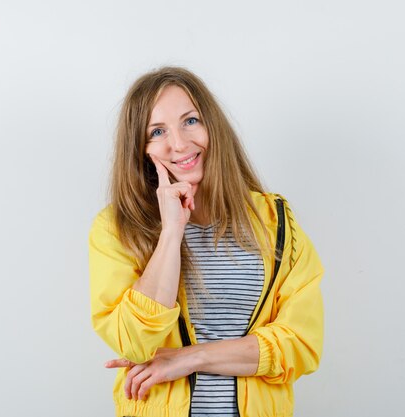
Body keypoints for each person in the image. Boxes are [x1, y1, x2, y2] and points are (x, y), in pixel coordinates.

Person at [89, 66, 324, 417]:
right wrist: (171, 232)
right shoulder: (117, 228)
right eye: (157, 131)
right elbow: (134, 341)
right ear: (140, 149)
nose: (180, 143)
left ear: (211, 124)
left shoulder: (276, 221)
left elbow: (302, 345)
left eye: (190, 121)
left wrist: (190, 358)